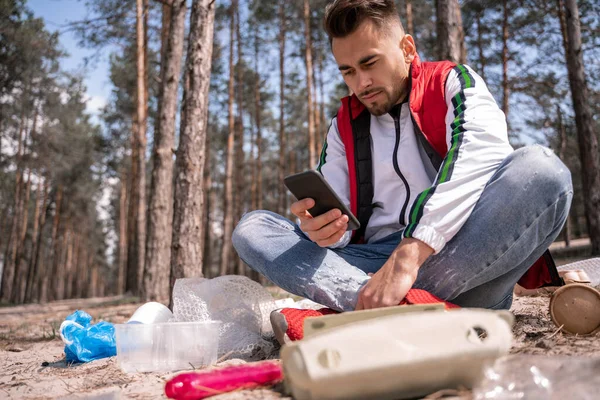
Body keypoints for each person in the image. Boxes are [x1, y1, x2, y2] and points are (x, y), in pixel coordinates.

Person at [232, 0, 572, 314]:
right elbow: (340, 220)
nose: (361, 83)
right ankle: (393, 304)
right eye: (347, 71)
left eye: (369, 62)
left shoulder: (452, 82)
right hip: (371, 265)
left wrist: (410, 254)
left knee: (542, 170)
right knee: (254, 229)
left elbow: (480, 157)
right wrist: (327, 231)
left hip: (457, 254)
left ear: (407, 49)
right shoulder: (343, 125)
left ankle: (373, 307)